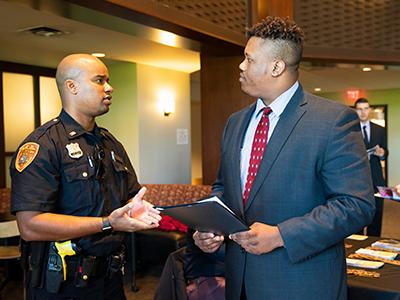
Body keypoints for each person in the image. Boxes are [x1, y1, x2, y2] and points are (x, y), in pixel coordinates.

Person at [193, 16, 375, 300]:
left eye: (249, 59)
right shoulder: (235, 122)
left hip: (301, 282)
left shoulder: (333, 121)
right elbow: (223, 188)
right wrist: (211, 227)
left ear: (277, 66)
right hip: (239, 279)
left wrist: (281, 235)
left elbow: (356, 205)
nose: (241, 66)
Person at [10, 54, 161, 299]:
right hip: (63, 285)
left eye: (108, 80)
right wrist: (107, 222)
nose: (109, 88)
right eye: (99, 81)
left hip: (110, 279)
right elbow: (30, 226)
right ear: (72, 87)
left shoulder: (110, 144)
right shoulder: (43, 146)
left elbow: (130, 197)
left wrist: (137, 208)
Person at [354, 97, 388, 236]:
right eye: (359, 109)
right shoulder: (350, 130)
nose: (363, 112)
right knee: (358, 212)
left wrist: (382, 153)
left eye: (366, 109)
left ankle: (373, 241)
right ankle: (357, 242)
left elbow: (386, 151)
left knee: (377, 212)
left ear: (370, 110)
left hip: (377, 177)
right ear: (355, 111)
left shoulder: (379, 129)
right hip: (357, 178)